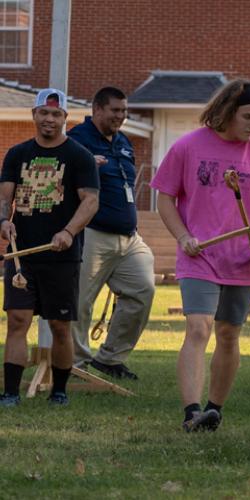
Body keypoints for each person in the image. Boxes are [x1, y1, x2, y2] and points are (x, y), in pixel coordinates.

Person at [151, 79, 250, 432]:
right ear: (227, 112)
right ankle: (191, 413)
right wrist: (183, 237)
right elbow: (165, 198)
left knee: (229, 334)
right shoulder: (188, 147)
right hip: (200, 258)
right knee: (199, 328)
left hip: (244, 262)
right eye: (247, 116)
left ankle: (213, 411)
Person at [0, 88, 99, 407]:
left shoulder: (79, 156)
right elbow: (5, 197)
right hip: (21, 255)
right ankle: (11, 393)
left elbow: (91, 201)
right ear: (34, 115)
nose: (49, 119)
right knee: (17, 319)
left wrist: (69, 232)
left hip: (62, 257)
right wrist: (4, 221)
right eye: (44, 112)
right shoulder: (17, 154)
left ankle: (59, 391)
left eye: (56, 114)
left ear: (65, 118)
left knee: (59, 324)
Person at [69, 87, 155, 380]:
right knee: (79, 301)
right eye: (115, 110)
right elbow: (61, 178)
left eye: (123, 111)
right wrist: (80, 168)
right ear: (97, 109)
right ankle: (75, 364)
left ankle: (110, 358)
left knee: (143, 290)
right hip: (91, 233)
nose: (121, 116)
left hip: (129, 237)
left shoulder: (124, 142)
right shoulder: (77, 140)